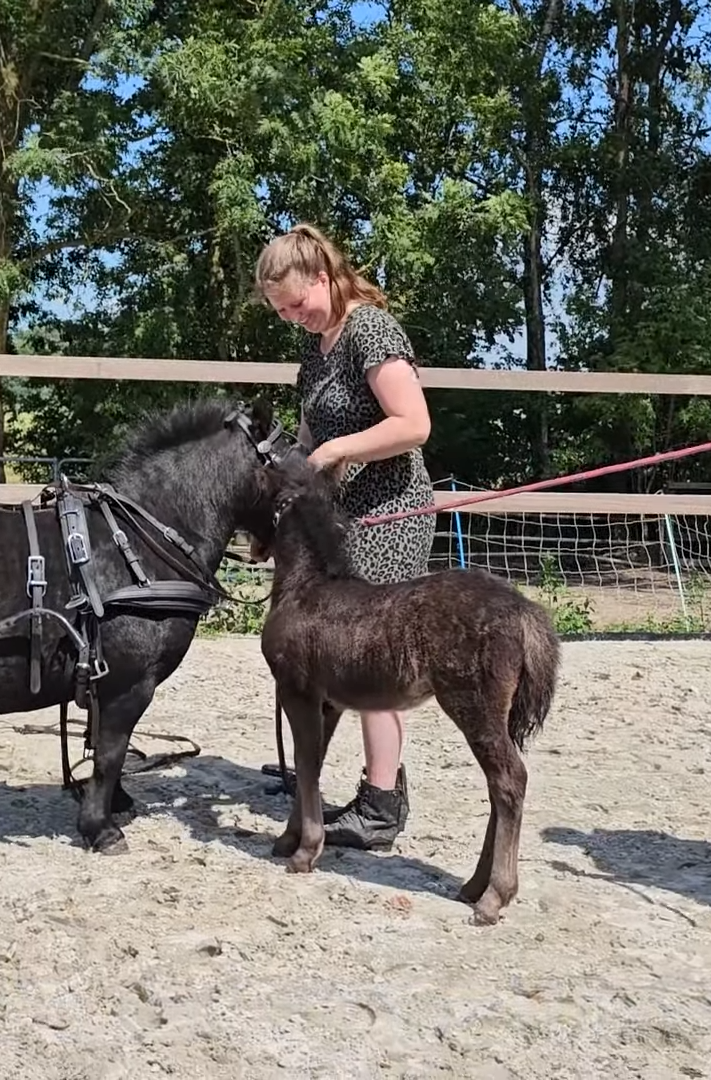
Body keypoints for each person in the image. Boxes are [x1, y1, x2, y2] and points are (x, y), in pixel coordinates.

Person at [254, 223, 435, 850]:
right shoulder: (318, 345)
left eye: (297, 304)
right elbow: (308, 435)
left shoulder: (372, 332)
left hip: (390, 512)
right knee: (331, 650)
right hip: (341, 517)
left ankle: (381, 801)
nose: (293, 317)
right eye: (282, 312)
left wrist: (337, 450)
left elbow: (414, 424)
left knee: (366, 655)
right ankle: (351, 791)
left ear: (324, 278)